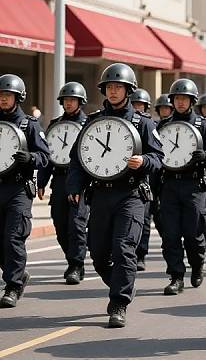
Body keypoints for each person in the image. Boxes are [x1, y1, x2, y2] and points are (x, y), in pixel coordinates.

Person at [66, 63, 163, 328]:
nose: (114, 91)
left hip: (131, 196)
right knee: (97, 252)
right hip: (100, 195)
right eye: (109, 87)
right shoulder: (94, 121)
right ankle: (123, 280)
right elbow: (78, 158)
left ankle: (119, 302)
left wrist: (143, 161)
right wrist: (74, 187)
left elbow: (159, 158)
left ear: (128, 90)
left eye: (119, 87)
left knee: (123, 248)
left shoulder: (143, 123)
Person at [159, 79, 206, 296]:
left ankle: (197, 264)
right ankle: (176, 276)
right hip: (170, 185)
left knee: (193, 234)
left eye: (184, 98)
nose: (180, 102)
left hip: (194, 186)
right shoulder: (164, 124)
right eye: (177, 98)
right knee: (171, 235)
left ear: (192, 101)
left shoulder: (202, 125)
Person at [0, 74, 50, 308]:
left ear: (18, 98)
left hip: (18, 189)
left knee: (13, 238)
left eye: (7, 96)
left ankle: (12, 286)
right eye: (0, 95)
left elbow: (45, 157)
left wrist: (31, 158)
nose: (3, 99)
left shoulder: (29, 125)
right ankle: (18, 274)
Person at [37, 82, 89, 284]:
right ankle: (72, 259)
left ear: (80, 102)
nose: (68, 103)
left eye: (72, 100)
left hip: (80, 180)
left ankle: (76, 265)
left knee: (76, 224)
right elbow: (47, 155)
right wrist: (41, 181)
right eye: (65, 100)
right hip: (59, 180)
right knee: (60, 224)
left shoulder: (88, 124)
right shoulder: (54, 124)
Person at [130, 89, 155, 271]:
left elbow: (157, 156)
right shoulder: (100, 120)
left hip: (138, 185)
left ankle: (141, 254)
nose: (137, 107)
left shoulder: (147, 124)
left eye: (141, 105)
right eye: (134, 104)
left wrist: (144, 161)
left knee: (144, 221)